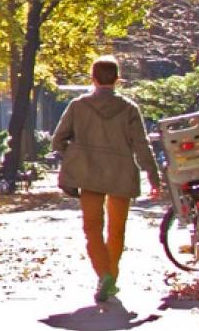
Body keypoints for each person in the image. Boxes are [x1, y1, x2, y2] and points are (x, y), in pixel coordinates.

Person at [51, 55, 162, 305]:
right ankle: (112, 276)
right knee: (117, 229)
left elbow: (58, 140)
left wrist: (77, 152)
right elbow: (142, 146)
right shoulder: (129, 109)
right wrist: (153, 177)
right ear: (117, 79)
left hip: (89, 175)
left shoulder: (78, 107)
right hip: (122, 174)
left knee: (92, 228)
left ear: (92, 78)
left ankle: (104, 275)